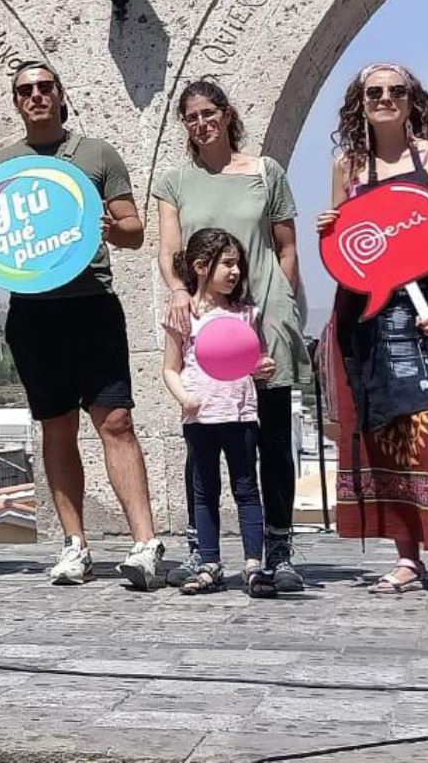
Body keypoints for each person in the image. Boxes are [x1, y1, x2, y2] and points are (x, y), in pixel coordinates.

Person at [0, 62, 162, 589]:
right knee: (56, 428)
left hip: (92, 304)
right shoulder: (0, 164)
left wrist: (113, 227)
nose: (35, 96)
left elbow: (133, 231)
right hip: (33, 312)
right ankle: (75, 544)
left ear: (61, 96)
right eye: (25, 91)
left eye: (44, 87)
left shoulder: (97, 154)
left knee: (116, 423)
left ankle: (145, 543)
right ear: (16, 102)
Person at [321, 63, 428, 606]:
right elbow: (346, 253)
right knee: (382, 432)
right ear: (360, 102)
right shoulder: (346, 164)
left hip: (425, 317)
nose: (385, 99)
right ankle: (405, 558)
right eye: (375, 93)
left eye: (396, 91)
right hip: (364, 321)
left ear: (412, 99)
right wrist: (331, 232)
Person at [152, 80, 307, 593]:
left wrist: (284, 307)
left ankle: (277, 550)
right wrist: (179, 291)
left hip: (262, 317)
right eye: (190, 117)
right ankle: (204, 550)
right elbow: (169, 249)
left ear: (226, 114)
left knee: (271, 441)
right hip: (203, 321)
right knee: (208, 434)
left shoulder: (265, 172)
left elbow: (286, 247)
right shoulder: (175, 182)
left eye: (208, 113)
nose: (201, 123)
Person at [160, 228, 273, 597]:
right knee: (204, 492)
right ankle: (209, 563)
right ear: (200, 266)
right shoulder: (183, 317)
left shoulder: (246, 315)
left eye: (237, 263)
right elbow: (170, 368)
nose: (235, 271)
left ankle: (255, 564)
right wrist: (184, 398)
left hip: (240, 415)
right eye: (227, 263)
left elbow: (258, 360)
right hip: (201, 419)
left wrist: (263, 368)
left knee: (246, 489)